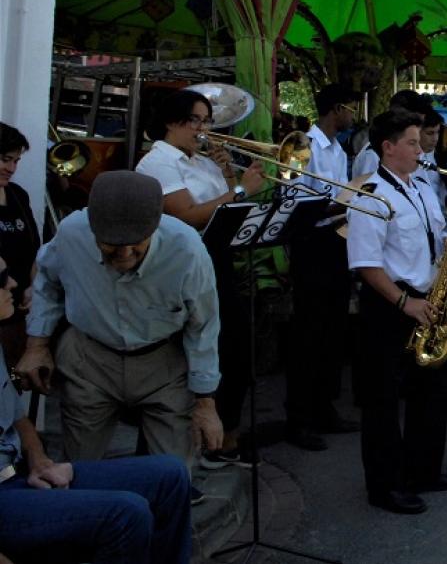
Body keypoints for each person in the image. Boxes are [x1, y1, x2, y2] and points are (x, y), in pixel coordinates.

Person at [0, 255, 194, 564]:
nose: (13, 284)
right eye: (2, 279)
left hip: (19, 475)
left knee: (171, 474)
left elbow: (18, 417)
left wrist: (39, 460)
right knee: (126, 513)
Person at [18, 171, 222, 462]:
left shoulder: (186, 248)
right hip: (88, 360)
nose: (125, 253)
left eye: (137, 242)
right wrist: (36, 346)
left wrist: (205, 402)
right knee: (80, 467)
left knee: (173, 473)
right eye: (111, 243)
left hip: (163, 362)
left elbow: (203, 326)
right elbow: (46, 281)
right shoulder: (72, 231)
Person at [135, 90, 265, 469]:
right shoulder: (157, 163)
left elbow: (231, 207)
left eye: (207, 121)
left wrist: (229, 175)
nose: (204, 129)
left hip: (217, 261)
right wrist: (241, 188)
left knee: (236, 348)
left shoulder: (203, 162)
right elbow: (189, 214)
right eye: (197, 120)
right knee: (188, 359)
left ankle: (223, 437)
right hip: (182, 267)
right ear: (172, 122)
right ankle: (182, 453)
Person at [346, 110, 447, 514]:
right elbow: (366, 263)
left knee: (430, 391)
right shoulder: (371, 197)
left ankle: (422, 470)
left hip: (428, 299)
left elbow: (433, 237)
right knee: (382, 401)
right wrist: (405, 302)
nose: (421, 150)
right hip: (391, 307)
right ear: (389, 147)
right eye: (413, 143)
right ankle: (385, 485)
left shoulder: (420, 187)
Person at [284, 83, 361, 452]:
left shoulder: (337, 149)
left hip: (335, 241)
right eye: (351, 107)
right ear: (336, 109)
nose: (354, 115)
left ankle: (324, 407)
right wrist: (344, 204)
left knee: (333, 330)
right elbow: (296, 201)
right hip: (312, 244)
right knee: (309, 333)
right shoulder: (306, 146)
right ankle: (299, 417)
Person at [0, 124, 40, 369]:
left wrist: (34, 287)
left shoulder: (17, 195)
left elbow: (35, 249)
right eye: (5, 160)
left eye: (16, 161)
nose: (11, 168)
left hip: (18, 316)